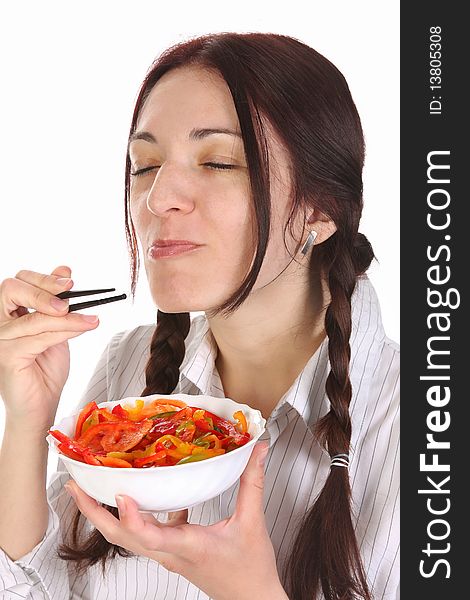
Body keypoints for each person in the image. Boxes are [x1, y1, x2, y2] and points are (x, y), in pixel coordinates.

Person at [0, 32, 399, 600]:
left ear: (320, 209)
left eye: (217, 161)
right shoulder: (130, 366)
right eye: (144, 165)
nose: (158, 198)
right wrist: (25, 421)